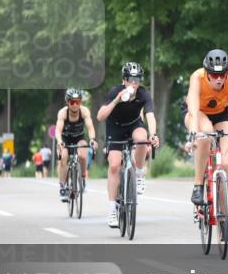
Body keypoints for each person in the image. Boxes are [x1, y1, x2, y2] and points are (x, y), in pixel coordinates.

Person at [185, 49, 228, 241]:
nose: (218, 79)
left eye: (222, 75)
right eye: (214, 75)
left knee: (225, 164)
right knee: (205, 134)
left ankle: (224, 218)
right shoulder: (197, 77)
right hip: (198, 113)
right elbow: (192, 109)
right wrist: (192, 134)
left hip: (223, 114)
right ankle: (198, 185)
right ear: (207, 73)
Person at [97, 62, 160, 229]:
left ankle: (139, 173)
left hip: (134, 124)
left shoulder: (143, 93)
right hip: (115, 127)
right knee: (114, 166)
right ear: (124, 80)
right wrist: (117, 100)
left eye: (137, 79)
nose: (134, 83)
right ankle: (112, 210)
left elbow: (150, 115)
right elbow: (100, 116)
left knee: (142, 138)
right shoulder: (114, 91)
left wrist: (153, 134)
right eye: (131, 79)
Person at [54, 88, 97, 202]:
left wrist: (92, 139)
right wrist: (59, 141)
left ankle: (82, 179)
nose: (75, 105)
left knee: (83, 154)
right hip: (65, 139)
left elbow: (90, 127)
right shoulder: (63, 113)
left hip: (79, 138)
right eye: (72, 102)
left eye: (77, 101)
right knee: (63, 157)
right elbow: (58, 130)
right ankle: (62, 186)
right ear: (67, 102)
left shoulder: (84, 111)